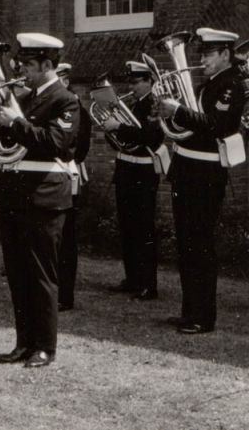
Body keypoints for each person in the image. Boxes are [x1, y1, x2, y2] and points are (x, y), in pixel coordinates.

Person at [0, 33, 79, 368]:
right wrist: (1, 122)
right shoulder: (26, 99)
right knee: (17, 274)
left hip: (44, 195)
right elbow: (12, 138)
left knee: (42, 275)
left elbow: (55, 142)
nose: (22, 71)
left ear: (47, 64)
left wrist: (14, 122)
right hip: (16, 194)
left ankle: (45, 346)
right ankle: (24, 342)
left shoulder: (66, 99)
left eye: (28, 65)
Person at [158, 28, 246, 334]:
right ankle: (190, 311)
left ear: (225, 54)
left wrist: (179, 110)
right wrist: (172, 112)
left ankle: (203, 317)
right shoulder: (211, 83)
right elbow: (191, 124)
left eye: (208, 54)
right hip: (188, 170)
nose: (202, 60)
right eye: (202, 54)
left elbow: (217, 126)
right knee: (186, 244)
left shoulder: (231, 85)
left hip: (206, 175)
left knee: (200, 245)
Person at [101, 61, 164, 301]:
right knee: (127, 227)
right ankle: (132, 278)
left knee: (144, 229)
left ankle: (149, 284)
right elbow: (122, 140)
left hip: (143, 173)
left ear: (149, 81)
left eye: (137, 82)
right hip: (126, 170)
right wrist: (111, 130)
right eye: (131, 81)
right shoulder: (133, 104)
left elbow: (149, 137)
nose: (132, 86)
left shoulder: (154, 105)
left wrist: (119, 126)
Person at [55, 63, 91, 311]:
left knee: (66, 237)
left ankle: (65, 295)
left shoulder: (76, 108)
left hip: (67, 174)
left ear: (66, 81)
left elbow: (80, 148)